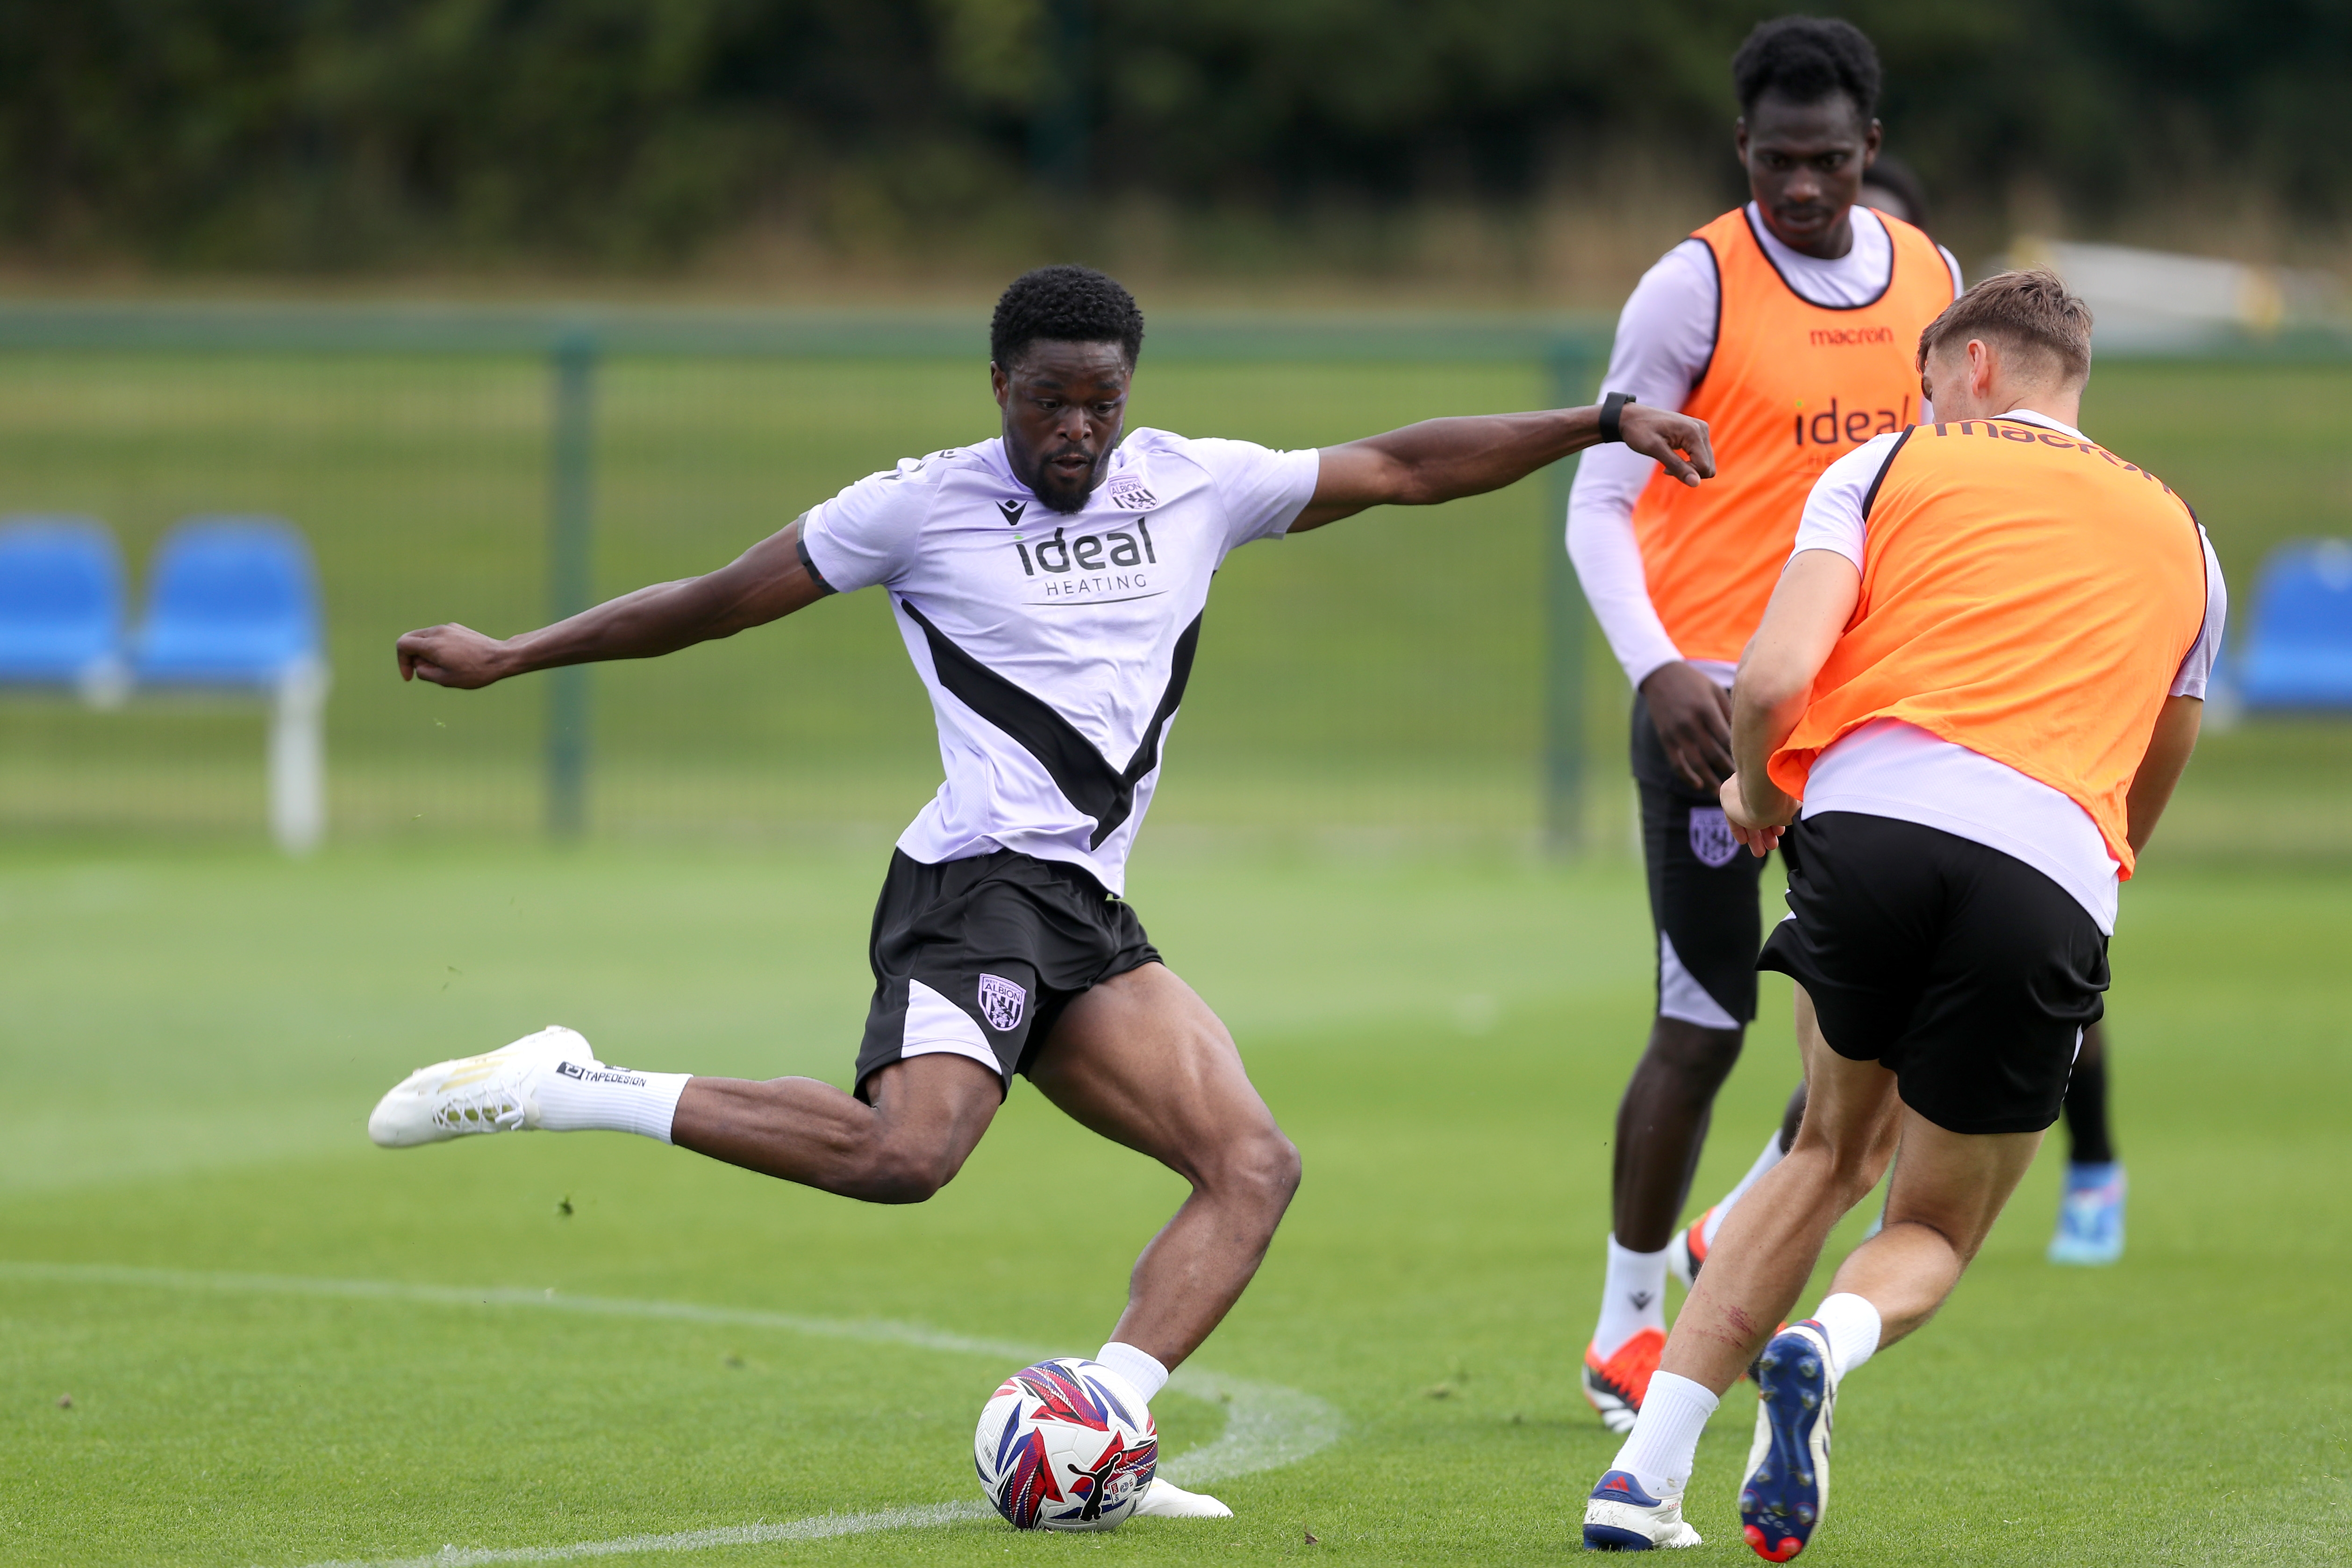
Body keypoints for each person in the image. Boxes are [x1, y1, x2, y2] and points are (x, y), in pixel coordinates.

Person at [369, 264, 1714, 1522]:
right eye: (1048, 401)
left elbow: (1407, 465)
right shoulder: (915, 505)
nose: (1078, 428)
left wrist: (1598, 420)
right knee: (907, 1156)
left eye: (1102, 402)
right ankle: (565, 1082)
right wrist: (510, 655)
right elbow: (714, 601)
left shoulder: (1196, 484)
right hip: (973, 886)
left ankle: (1100, 1429)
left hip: (1085, 910)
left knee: (1251, 1166)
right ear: (998, 390)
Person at [1579, 267, 2223, 1556]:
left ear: (1972, 370)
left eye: (1927, 380)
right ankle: (1827, 1340)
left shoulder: (1883, 467)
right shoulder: (2189, 543)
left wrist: (1761, 791)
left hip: (1867, 831)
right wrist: (2089, 894)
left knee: (1822, 1150)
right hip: (2048, 867)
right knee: (1925, 1222)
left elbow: (1768, 678)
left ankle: (1641, 1479)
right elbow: (2158, 760)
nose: (1919, 401)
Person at [1564, 14, 1961, 1431]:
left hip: (1864, 718)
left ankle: (1734, 1225)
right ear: (1744, 151)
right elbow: (1601, 497)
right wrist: (1659, 666)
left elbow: (1943, 482)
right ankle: (1627, 1315)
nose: (1803, 189)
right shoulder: (1693, 286)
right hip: (1712, 712)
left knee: (1889, 1025)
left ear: (1869, 147)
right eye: (1777, 161)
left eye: (1829, 161)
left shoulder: (1930, 276)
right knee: (1704, 1022)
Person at [1857, 146, 2134, 1269]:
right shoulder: (1898, 453)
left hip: (2031, 771)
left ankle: (2095, 1161)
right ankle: (1782, 1257)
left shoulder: (2026, 453)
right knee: (1855, 1086)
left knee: (2051, 975)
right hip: (1916, 776)